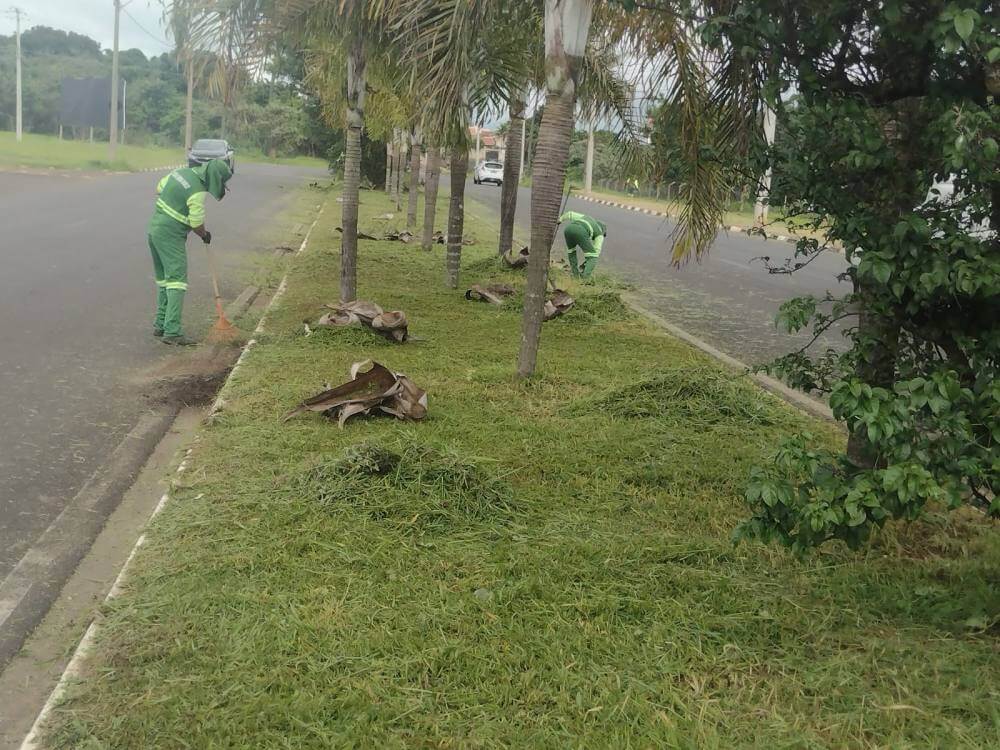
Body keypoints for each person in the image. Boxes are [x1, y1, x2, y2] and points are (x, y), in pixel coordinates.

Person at [147, 158, 232, 345]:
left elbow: (159, 188)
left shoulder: (180, 172)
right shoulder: (198, 192)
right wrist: (204, 234)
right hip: (171, 236)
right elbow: (196, 223)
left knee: (164, 281)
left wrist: (174, 201)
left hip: (154, 230)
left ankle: (160, 324)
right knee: (177, 282)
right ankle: (172, 331)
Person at [558, 210, 607, 280]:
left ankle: (575, 275)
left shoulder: (587, 218)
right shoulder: (600, 234)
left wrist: (560, 219)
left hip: (568, 229)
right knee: (593, 258)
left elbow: (570, 214)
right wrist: (588, 263)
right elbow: (596, 252)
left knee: (571, 252)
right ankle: (584, 279)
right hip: (581, 231)